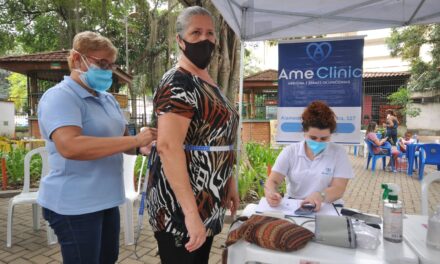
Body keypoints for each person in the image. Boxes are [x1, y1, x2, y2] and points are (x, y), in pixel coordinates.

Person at [37, 31, 157, 264]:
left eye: (110, 65)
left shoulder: (108, 99)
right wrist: (134, 141)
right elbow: (71, 146)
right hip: (75, 205)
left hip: (107, 200)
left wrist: (144, 145)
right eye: (100, 63)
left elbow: (124, 143)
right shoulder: (60, 97)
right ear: (75, 59)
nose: (106, 70)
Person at [145, 6, 239, 264]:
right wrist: (190, 213)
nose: (204, 39)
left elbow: (220, 139)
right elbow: (167, 146)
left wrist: (229, 181)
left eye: (210, 33)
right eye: (195, 32)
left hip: (209, 196)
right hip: (181, 205)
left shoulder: (210, 83)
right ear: (180, 40)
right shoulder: (178, 81)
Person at [264, 101, 354, 212]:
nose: (318, 142)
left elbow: (338, 189)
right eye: (313, 138)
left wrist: (319, 196)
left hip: (327, 207)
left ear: (330, 135)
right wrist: (271, 193)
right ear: (304, 133)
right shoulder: (290, 152)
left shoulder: (338, 153)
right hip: (294, 205)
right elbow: (273, 181)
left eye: (324, 139)